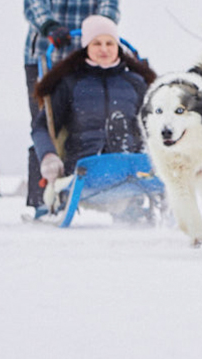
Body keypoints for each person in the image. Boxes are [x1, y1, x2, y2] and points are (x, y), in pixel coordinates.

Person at [23, 0, 119, 210]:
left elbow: (109, 4)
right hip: (46, 54)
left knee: (83, 121)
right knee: (47, 121)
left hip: (84, 56)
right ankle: (42, 196)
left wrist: (97, 32)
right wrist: (50, 25)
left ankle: (86, 189)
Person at [31, 16, 155, 218]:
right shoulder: (71, 83)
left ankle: (134, 202)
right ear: (86, 47)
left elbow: (153, 127)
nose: (104, 49)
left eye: (109, 43)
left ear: (118, 46)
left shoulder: (136, 83)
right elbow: (42, 127)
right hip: (84, 169)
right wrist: (48, 156)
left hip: (131, 169)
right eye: (97, 43)